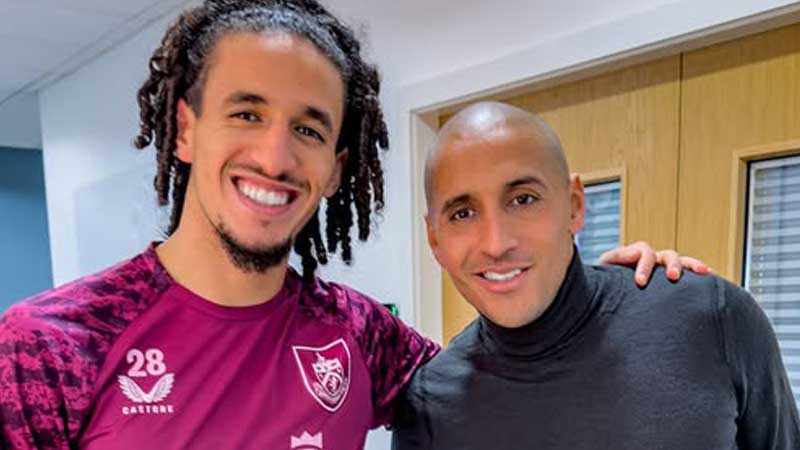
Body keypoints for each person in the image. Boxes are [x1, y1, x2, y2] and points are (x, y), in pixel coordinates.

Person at [0, 2, 705, 449]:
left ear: (337, 168)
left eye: (308, 129)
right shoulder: (48, 349)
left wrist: (608, 301)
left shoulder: (360, 335)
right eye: (246, 113)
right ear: (185, 129)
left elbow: (511, 374)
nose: (275, 157)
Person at [392, 101, 800, 450]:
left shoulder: (710, 319)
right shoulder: (429, 404)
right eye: (463, 213)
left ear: (574, 205)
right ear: (434, 238)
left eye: (523, 199)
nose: (496, 243)